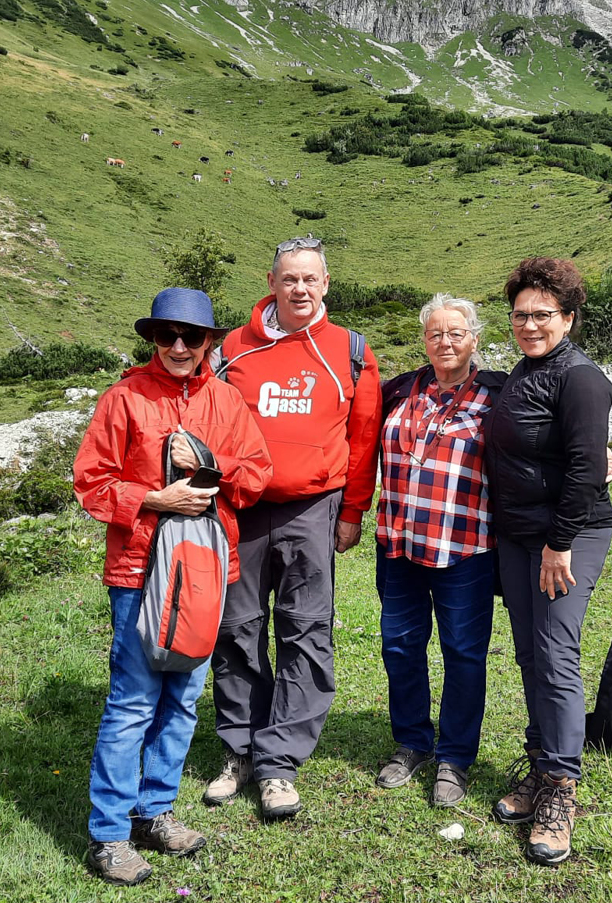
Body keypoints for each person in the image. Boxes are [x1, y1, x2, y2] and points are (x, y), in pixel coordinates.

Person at [74, 288, 272, 886]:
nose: (180, 347)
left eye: (192, 337)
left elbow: (257, 475)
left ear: (211, 341)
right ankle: (108, 835)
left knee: (183, 696)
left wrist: (210, 458)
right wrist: (152, 498)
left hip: (207, 569)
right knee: (133, 699)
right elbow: (90, 483)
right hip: (139, 572)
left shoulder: (227, 402)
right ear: (153, 339)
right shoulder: (124, 399)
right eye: (167, 336)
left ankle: (154, 811)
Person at [207, 236, 382, 818]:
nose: (300, 289)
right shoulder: (233, 347)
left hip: (313, 508)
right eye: (290, 279)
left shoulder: (351, 350)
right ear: (272, 282)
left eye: (310, 279)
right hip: (242, 508)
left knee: (305, 628)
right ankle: (239, 750)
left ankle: (279, 762)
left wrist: (353, 511)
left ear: (325, 284)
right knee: (236, 628)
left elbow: (364, 439)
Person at [485, 257, 612, 867]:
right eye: (520, 315)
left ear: (568, 317)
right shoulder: (524, 371)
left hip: (566, 538)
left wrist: (559, 543)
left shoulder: (581, 379)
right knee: (531, 652)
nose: (530, 325)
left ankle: (562, 790)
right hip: (518, 537)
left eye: (543, 315)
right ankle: (540, 770)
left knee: (557, 653)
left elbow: (588, 468)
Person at [373, 293, 507, 806]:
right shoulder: (400, 391)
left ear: (475, 338)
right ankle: (411, 742)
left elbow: (546, 431)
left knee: (464, 654)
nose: (445, 342)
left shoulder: (499, 393)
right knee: (400, 647)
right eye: (435, 333)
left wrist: (596, 449)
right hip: (400, 545)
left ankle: (454, 758)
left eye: (456, 333)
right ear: (424, 339)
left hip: (466, 550)